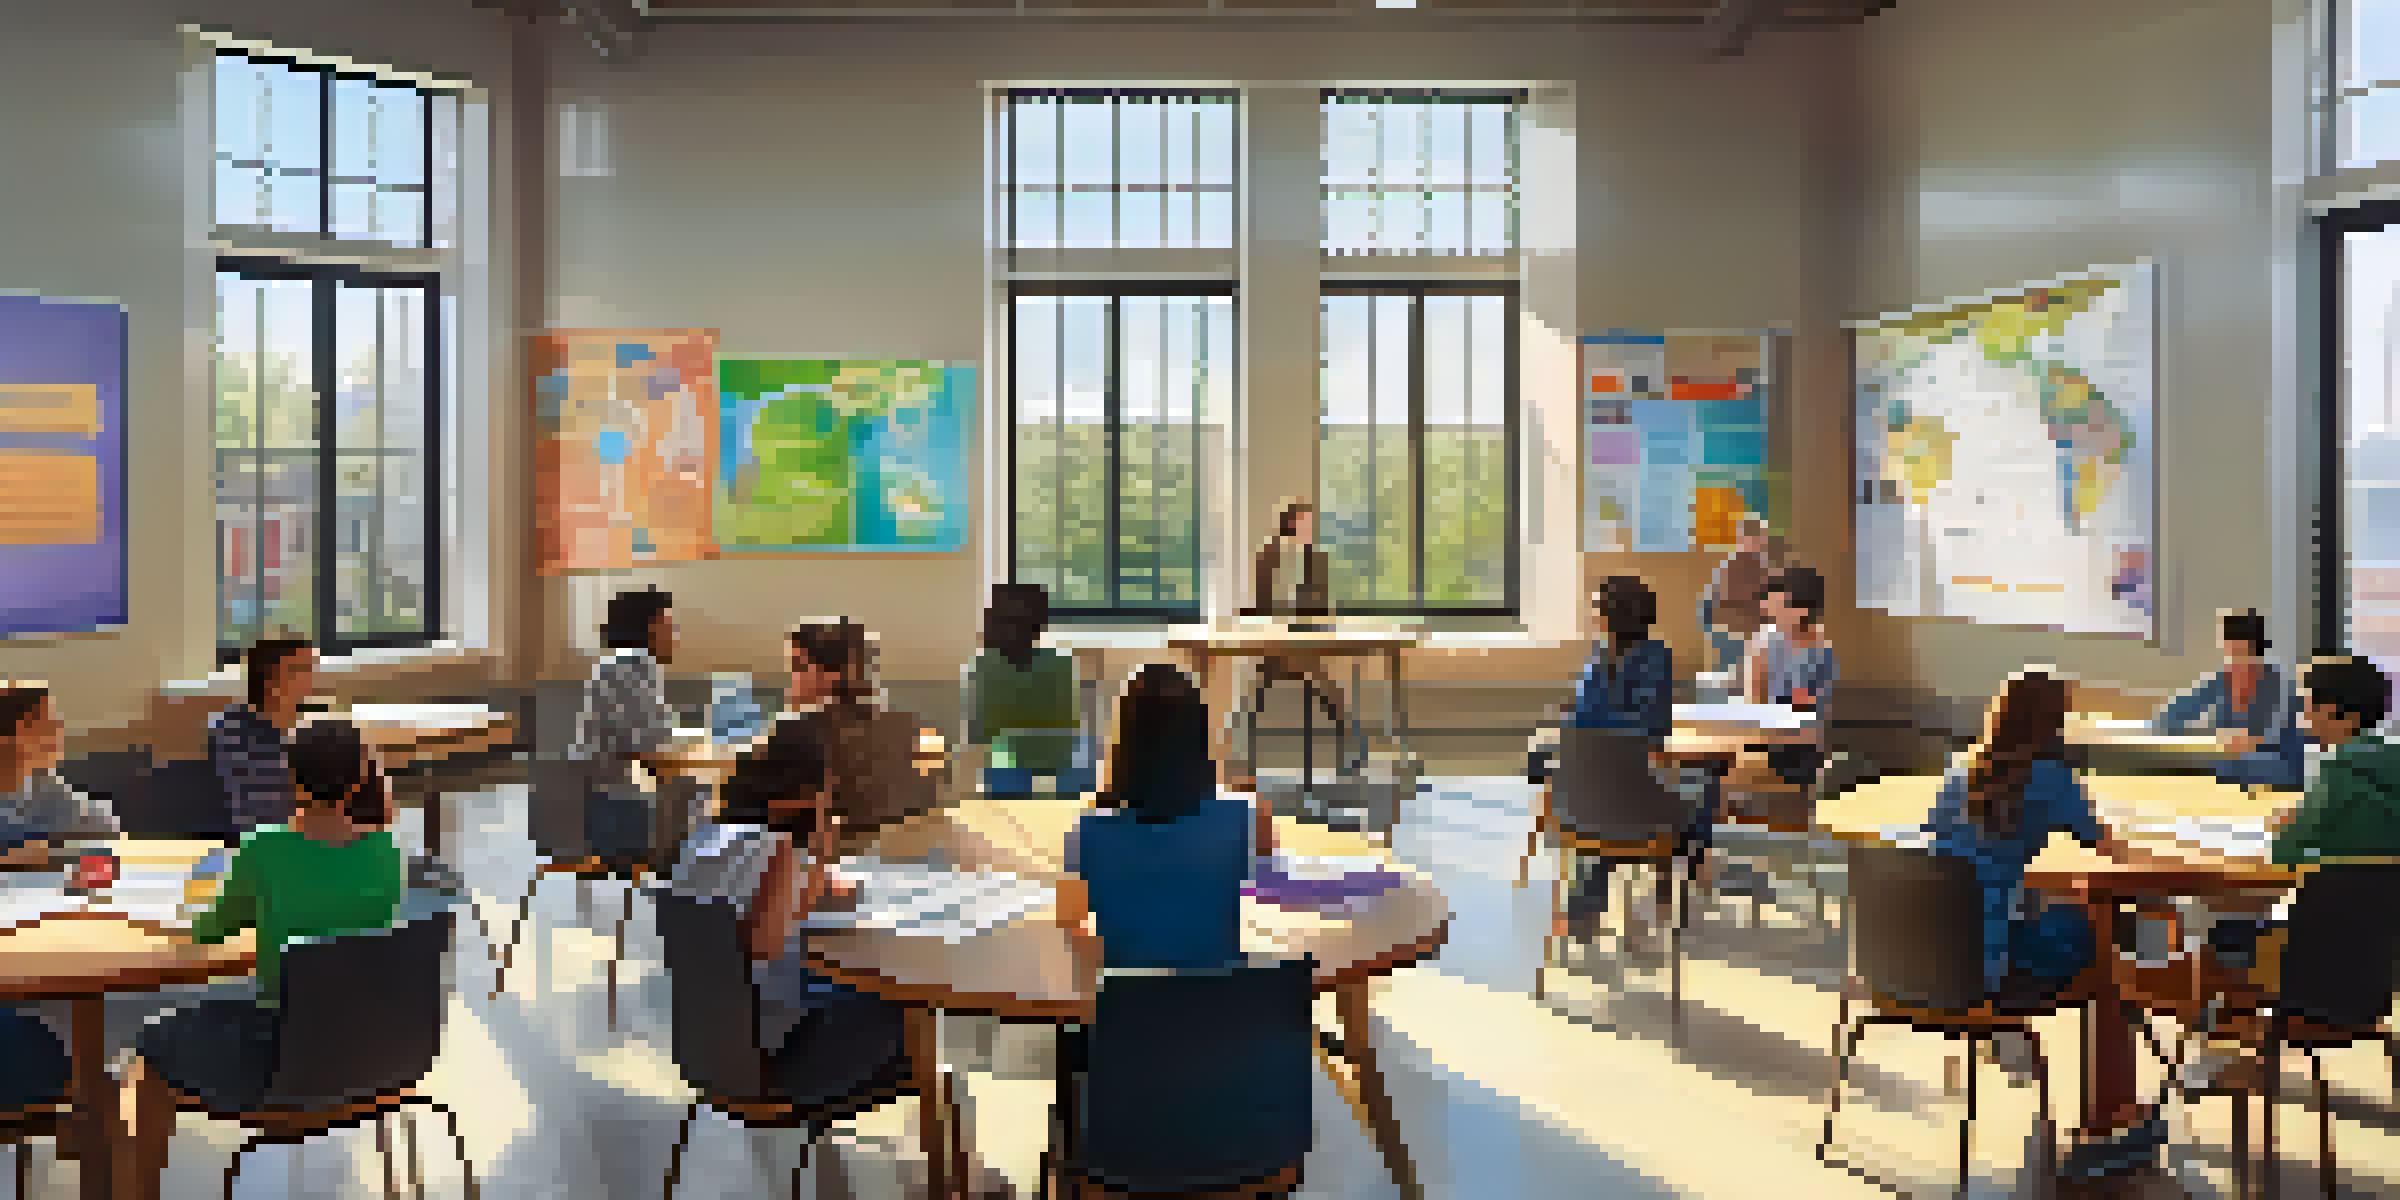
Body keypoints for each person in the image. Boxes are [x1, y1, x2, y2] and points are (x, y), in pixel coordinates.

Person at [118, 720, 406, 1192]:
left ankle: (139, 1190)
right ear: (360, 779)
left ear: (290, 781)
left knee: (152, 1048)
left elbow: (211, 931)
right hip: (372, 1052)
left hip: (279, 1057)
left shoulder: (263, 850)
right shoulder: (386, 850)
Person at [2176, 654, 2399, 1093]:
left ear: (2340, 713)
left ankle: (2231, 1066)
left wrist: (2289, 824)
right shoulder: (2388, 766)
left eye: (2310, 705)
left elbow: (2284, 852)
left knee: (2218, 941)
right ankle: (2240, 1062)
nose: (2303, 714)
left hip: (2307, 969)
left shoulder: (2341, 770)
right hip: (2369, 979)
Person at [669, 714, 909, 1104]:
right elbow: (761, 941)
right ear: (803, 796)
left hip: (707, 1057)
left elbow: (787, 910)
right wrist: (816, 853)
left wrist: (813, 866)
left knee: (837, 988)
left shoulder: (701, 842)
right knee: (903, 1013)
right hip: (773, 1065)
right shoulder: (776, 851)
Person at [1919, 669, 2146, 1080]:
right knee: (2109, 931)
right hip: (1995, 963)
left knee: (2039, 905)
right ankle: (2119, 1100)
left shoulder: (1960, 771)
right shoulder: (2051, 777)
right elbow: (2112, 851)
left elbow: (1933, 843)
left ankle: (2000, 1032)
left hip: (1929, 953)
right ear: (2052, 721)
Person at [1057, 664, 1276, 969]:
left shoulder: (1087, 832)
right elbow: (1279, 886)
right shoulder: (1244, 818)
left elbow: (1069, 930)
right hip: (1224, 1008)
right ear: (1200, 735)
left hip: (1128, 1010)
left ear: (1125, 740)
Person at [1547, 578, 1714, 941]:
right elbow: (1651, 729)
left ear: (1614, 615)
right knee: (1702, 792)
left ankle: (1586, 913)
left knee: (1613, 807)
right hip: (1624, 802)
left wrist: (1609, 730)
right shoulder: (1648, 657)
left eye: (1597, 608)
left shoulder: (1606, 659)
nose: (1593, 615)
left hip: (1585, 804)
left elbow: (1586, 718)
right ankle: (1676, 884)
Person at [784, 619, 941, 849]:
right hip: (909, 857)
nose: (791, 677)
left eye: (798, 666)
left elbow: (742, 808)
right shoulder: (911, 725)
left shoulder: (806, 734)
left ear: (831, 673)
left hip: (841, 863)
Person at [1244, 498, 1356, 769]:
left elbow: (1322, 602)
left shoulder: (1315, 557)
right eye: (1305, 522)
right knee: (1257, 692)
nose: (1309, 528)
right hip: (1276, 640)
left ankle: (1350, 749)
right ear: (1291, 523)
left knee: (1329, 690)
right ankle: (1244, 752)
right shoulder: (1270, 555)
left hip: (1306, 640)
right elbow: (1263, 601)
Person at [573, 588, 681, 867]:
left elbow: (651, 736)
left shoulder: (620, 665)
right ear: (651, 628)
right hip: (618, 809)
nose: (676, 637)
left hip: (605, 800)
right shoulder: (632, 668)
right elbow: (650, 748)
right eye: (670, 626)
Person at [2151, 609, 2307, 791]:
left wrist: (2237, 743)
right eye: (2231, 653)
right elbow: (2168, 718)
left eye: (2243, 654)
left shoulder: (2279, 686)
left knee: (2225, 766)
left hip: (2278, 770)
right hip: (2232, 769)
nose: (2236, 662)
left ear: (2258, 654)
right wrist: (2207, 737)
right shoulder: (2222, 681)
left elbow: (2270, 739)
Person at [964, 583, 1090, 797]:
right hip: (1054, 765)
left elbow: (980, 734)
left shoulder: (985, 667)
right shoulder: (1061, 664)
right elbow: (1070, 727)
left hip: (1013, 765)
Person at [0, 681, 119, 867]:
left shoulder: (41, 785)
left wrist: (52, 851)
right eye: (49, 724)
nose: (59, 733)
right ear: (17, 733)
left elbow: (106, 827)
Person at [208, 636, 319, 832]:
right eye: (299, 670)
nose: (310, 679)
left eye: (310, 669)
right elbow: (250, 814)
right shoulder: (232, 736)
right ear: (269, 679)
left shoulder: (301, 731)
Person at [1744, 565, 1840, 789]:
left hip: (1802, 745)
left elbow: (1816, 708)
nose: (1768, 613)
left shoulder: (1819, 647)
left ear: (1802, 610)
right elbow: (1755, 697)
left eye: (1778, 608)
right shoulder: (1766, 642)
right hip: (1769, 739)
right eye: (1768, 606)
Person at [1698, 518, 1783, 677]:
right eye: (1751, 538)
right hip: (1731, 635)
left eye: (1759, 539)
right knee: (1730, 678)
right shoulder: (1729, 569)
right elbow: (1709, 607)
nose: (1756, 543)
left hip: (1752, 637)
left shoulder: (1766, 571)